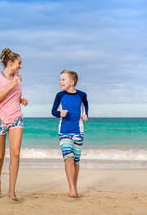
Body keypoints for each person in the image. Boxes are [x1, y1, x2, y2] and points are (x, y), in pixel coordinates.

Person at [0, 48, 28, 201]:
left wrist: (21, 100)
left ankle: (12, 190)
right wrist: (10, 86)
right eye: (19, 63)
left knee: (16, 153)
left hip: (16, 117)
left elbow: (14, 96)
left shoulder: (19, 78)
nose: (21, 66)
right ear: (10, 63)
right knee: (0, 155)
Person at [51, 70, 88, 198]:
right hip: (64, 132)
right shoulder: (60, 95)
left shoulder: (82, 95)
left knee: (76, 162)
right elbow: (53, 111)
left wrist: (85, 114)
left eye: (63, 80)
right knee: (69, 159)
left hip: (78, 132)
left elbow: (85, 105)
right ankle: (72, 189)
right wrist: (59, 113)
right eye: (60, 79)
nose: (60, 82)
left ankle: (74, 186)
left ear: (72, 82)